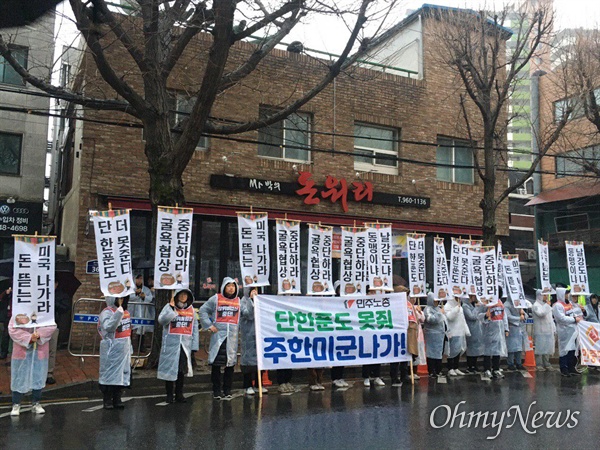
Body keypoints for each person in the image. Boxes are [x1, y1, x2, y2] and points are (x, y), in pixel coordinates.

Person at [200, 277, 241, 400]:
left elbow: (246, 313)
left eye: (233, 286)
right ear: (224, 287)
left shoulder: (239, 301)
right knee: (216, 365)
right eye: (228, 286)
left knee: (230, 365)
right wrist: (209, 325)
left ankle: (227, 390)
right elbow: (202, 310)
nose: (231, 288)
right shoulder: (216, 299)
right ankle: (216, 390)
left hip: (232, 338)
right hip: (218, 337)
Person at [9, 313, 56, 416]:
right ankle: (16, 403)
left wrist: (38, 335)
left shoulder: (45, 311)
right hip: (21, 350)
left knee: (38, 376)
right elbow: (12, 329)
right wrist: (29, 338)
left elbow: (51, 326)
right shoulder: (19, 311)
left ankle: (36, 403)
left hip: (39, 350)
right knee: (18, 376)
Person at [157, 289, 199, 403]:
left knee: (181, 370)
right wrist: (171, 309)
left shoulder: (191, 310)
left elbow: (194, 328)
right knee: (170, 371)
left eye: (185, 295)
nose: (183, 296)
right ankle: (169, 394)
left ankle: (179, 393)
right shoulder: (169, 307)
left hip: (184, 345)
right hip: (171, 345)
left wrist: (194, 346)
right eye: (181, 294)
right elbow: (161, 320)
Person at [98, 296, 132, 410]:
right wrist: (118, 313)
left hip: (123, 349)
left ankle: (117, 397)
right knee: (109, 374)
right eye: (119, 298)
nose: (121, 300)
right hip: (111, 349)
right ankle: (107, 399)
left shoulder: (126, 311)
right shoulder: (107, 313)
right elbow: (109, 327)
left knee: (121, 374)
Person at [239, 287, 267, 395]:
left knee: (259, 360)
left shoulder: (262, 300)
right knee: (248, 362)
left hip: (260, 334)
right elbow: (248, 315)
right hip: (248, 335)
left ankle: (258, 384)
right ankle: (247, 385)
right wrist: (252, 301)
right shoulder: (243, 301)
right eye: (253, 290)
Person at [552, 287, 582, 377]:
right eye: (565, 293)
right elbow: (561, 318)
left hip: (572, 330)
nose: (567, 295)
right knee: (564, 350)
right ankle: (564, 368)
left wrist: (580, 312)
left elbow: (574, 313)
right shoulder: (557, 305)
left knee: (572, 349)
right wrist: (573, 319)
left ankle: (571, 367)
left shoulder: (569, 304)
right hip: (564, 331)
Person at [46, 281, 71, 384]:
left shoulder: (61, 295)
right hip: (39, 326)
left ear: (57, 284)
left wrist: (54, 303)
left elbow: (65, 308)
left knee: (51, 350)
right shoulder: (40, 292)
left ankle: (49, 373)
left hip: (53, 324)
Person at [479, 296, 509, 379]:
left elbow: (504, 316)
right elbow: (478, 315)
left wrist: (506, 329)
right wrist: (485, 315)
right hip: (488, 329)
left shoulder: (500, 303)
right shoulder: (485, 303)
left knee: (497, 350)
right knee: (487, 350)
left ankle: (496, 368)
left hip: (499, 329)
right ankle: (487, 369)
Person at [362, 286, 385, 387]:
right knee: (367, 355)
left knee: (377, 354)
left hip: (377, 332)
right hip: (366, 333)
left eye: (374, 292)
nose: (372, 294)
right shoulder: (362, 304)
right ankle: (366, 377)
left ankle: (376, 376)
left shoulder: (378, 304)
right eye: (370, 292)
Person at [445, 294, 470, 376]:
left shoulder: (460, 308)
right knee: (451, 352)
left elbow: (462, 319)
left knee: (458, 351)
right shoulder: (447, 306)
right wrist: (456, 309)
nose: (457, 299)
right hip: (452, 332)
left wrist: (466, 330)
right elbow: (449, 317)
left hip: (460, 332)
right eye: (456, 298)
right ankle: (450, 368)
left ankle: (456, 367)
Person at [423, 292, 447, 378]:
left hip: (440, 334)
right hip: (431, 334)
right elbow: (430, 320)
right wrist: (440, 313)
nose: (436, 302)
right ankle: (431, 370)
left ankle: (438, 370)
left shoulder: (438, 308)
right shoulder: (427, 309)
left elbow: (444, 320)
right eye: (435, 300)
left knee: (438, 353)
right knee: (431, 353)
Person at [330, 281, 348, 388]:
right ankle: (335, 378)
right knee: (336, 355)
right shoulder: (333, 300)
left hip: (344, 330)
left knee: (342, 355)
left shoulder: (346, 299)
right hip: (334, 331)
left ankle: (340, 377)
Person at [532, 290, 556, 371]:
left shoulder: (546, 305)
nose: (546, 297)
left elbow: (550, 318)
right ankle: (539, 364)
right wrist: (547, 305)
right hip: (540, 330)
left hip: (548, 330)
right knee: (540, 348)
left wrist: (553, 328)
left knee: (547, 348)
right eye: (544, 295)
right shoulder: (536, 305)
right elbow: (541, 313)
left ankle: (547, 363)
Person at [131, 274, 154, 351]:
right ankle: (130, 345)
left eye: (141, 278)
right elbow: (129, 298)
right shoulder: (131, 289)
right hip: (132, 310)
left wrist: (144, 297)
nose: (139, 280)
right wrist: (136, 294)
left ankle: (140, 347)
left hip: (143, 311)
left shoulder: (146, 289)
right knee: (130, 327)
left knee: (142, 328)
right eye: (138, 278)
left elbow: (150, 298)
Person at [463, 293, 484, 373]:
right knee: (471, 348)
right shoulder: (465, 306)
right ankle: (470, 365)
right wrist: (478, 308)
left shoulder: (474, 305)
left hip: (477, 329)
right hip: (470, 329)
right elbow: (472, 316)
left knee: (476, 348)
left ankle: (474, 365)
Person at [505, 297, 527, 371]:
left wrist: (523, 314)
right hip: (511, 327)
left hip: (519, 328)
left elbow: (525, 315)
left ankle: (518, 363)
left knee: (519, 347)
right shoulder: (507, 305)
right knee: (511, 347)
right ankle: (510, 363)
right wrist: (518, 318)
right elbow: (507, 316)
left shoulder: (518, 304)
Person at [0, 285, 12, 360]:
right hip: (8, 316)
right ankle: (3, 353)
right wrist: (6, 293)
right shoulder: (6, 293)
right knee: (5, 335)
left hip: (18, 316)